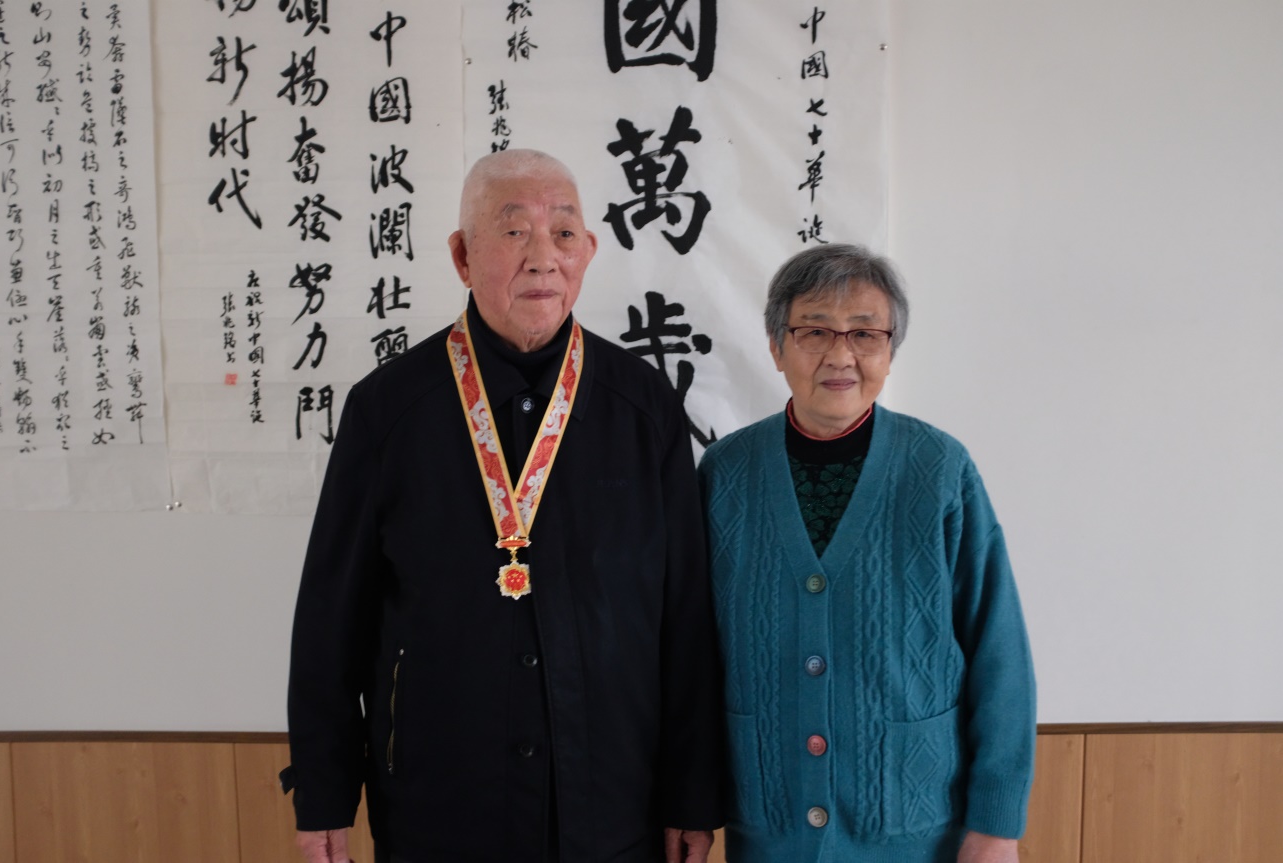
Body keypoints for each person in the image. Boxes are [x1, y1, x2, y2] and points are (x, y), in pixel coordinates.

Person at [283, 149, 724, 863]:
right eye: (514, 231)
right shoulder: (388, 410)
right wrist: (324, 792)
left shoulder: (642, 407)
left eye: (564, 233)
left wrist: (690, 794)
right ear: (462, 255)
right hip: (439, 807)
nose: (543, 257)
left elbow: (684, 616)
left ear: (589, 251)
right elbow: (331, 620)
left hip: (611, 805)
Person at [698, 244, 1036, 863]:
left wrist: (996, 825)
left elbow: (1000, 651)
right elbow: (690, 652)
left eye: (864, 333)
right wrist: (689, 803)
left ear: (890, 350)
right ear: (775, 346)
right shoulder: (724, 475)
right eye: (814, 331)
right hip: (770, 826)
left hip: (912, 825)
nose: (840, 355)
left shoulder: (940, 470)